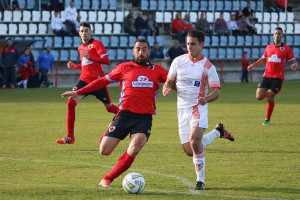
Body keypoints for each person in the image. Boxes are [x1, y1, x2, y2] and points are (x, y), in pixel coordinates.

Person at [60, 38, 170, 188]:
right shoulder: (124, 67)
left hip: (143, 118)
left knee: (135, 147)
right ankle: (111, 125)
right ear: (133, 51)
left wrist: (188, 93)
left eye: (144, 49)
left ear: (149, 51)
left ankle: (107, 179)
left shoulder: (158, 70)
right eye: (138, 49)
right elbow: (102, 82)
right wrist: (78, 92)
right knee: (104, 151)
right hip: (123, 115)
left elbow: (175, 83)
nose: (141, 52)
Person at [162, 30, 234, 190]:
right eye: (188, 43)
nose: (189, 47)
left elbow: (216, 92)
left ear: (202, 44)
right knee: (189, 150)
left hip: (198, 108)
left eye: (193, 44)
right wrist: (166, 88)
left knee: (195, 142)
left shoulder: (208, 67)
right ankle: (218, 132)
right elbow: (168, 82)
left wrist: (206, 99)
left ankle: (200, 181)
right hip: (181, 110)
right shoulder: (178, 61)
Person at [56, 22, 119, 145]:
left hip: (98, 82)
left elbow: (106, 61)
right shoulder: (80, 47)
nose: (84, 33)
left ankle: (125, 115)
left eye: (86, 30)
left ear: (91, 32)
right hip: (84, 81)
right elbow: (86, 63)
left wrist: (91, 58)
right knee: (70, 102)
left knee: (110, 108)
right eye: (82, 31)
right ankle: (70, 137)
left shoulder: (97, 44)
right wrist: (76, 67)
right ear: (79, 33)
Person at [247, 27, 297, 125]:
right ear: (273, 35)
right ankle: (269, 92)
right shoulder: (268, 47)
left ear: (282, 36)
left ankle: (267, 119)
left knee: (270, 98)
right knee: (259, 96)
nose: (277, 35)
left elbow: (293, 61)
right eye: (276, 33)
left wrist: (294, 65)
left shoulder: (286, 48)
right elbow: (262, 60)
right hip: (267, 76)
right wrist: (253, 65)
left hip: (278, 77)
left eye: (279, 33)